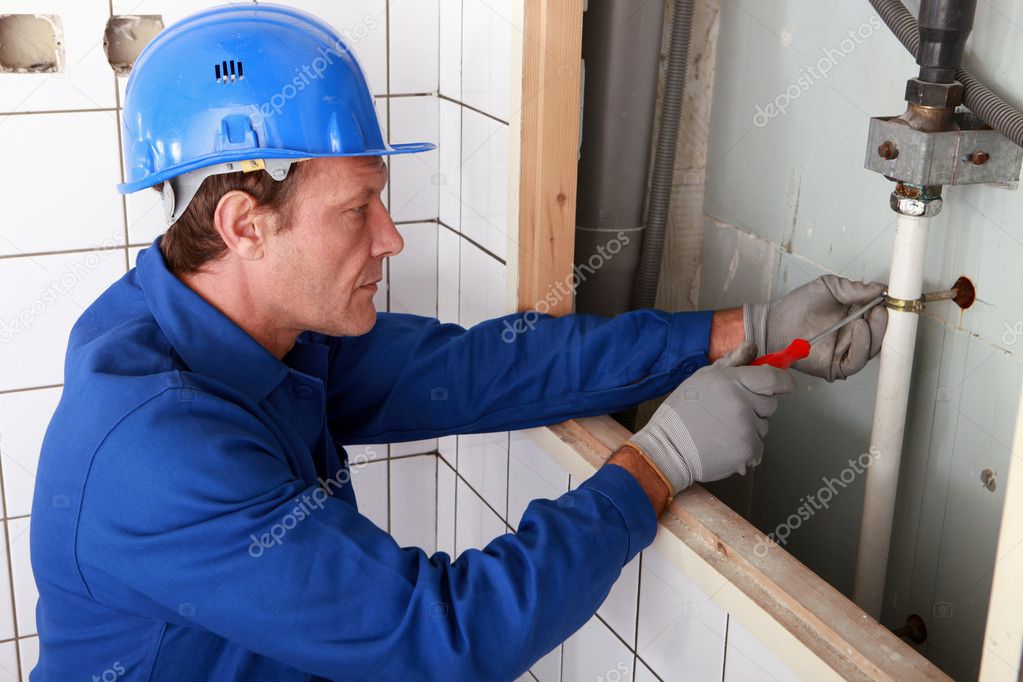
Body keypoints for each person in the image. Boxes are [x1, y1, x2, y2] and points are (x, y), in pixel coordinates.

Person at [29, 5, 887, 680]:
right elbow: (437, 640)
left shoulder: (256, 332)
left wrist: (739, 331)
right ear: (243, 224)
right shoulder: (156, 446)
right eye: (357, 209)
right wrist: (654, 462)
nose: (391, 239)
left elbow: (479, 369)